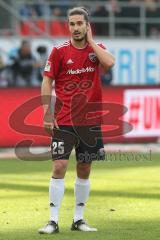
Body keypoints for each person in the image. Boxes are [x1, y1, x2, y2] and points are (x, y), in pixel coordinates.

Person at [39, 6, 115, 234]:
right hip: (64, 119)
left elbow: (109, 63)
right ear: (68, 26)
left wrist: (91, 42)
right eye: (71, 24)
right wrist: (46, 111)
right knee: (59, 165)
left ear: (87, 25)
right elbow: (47, 82)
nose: (75, 28)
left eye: (79, 23)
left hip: (90, 121)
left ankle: (78, 219)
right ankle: (52, 220)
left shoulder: (97, 50)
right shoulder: (59, 51)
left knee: (84, 168)